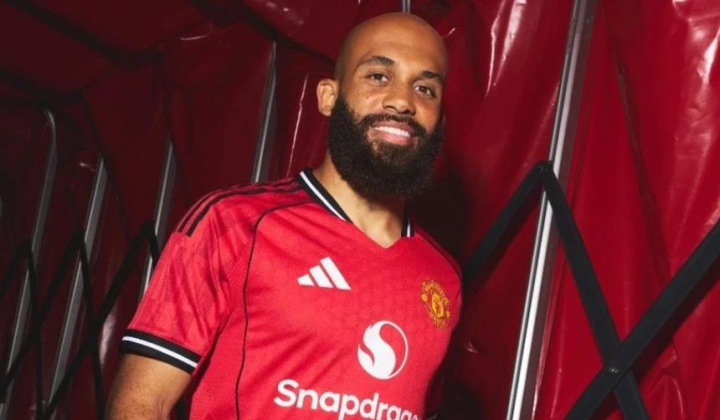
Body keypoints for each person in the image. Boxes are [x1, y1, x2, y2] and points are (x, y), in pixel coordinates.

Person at [106, 12, 461, 420]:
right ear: (328, 97)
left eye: (425, 88)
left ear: (440, 121)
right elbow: (140, 405)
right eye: (378, 76)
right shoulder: (233, 224)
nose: (402, 101)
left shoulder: (444, 278)